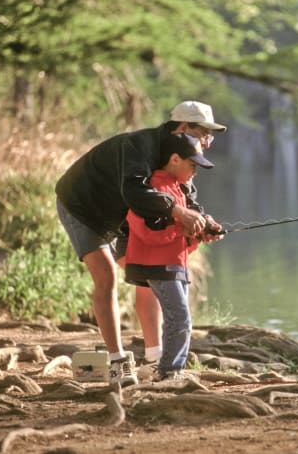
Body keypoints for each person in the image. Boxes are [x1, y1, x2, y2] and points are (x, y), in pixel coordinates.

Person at [55, 101, 226, 385]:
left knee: (150, 272)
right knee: (106, 275)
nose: (208, 142)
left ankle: (154, 357)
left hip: (123, 213)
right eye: (205, 134)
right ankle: (117, 361)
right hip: (83, 204)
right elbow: (134, 189)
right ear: (183, 127)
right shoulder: (139, 146)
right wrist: (178, 213)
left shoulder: (182, 154)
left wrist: (203, 223)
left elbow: (188, 199)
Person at [124, 134, 215, 381]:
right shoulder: (154, 187)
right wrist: (183, 228)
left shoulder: (179, 190)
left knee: (179, 319)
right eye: (193, 165)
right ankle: (169, 373)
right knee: (180, 319)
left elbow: (179, 242)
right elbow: (145, 231)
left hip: (175, 265)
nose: (195, 171)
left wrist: (200, 234)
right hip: (157, 266)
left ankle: (172, 370)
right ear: (174, 159)